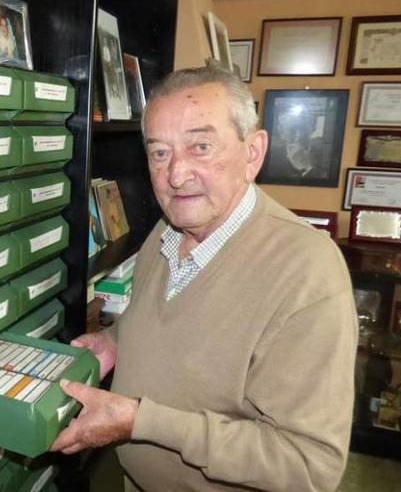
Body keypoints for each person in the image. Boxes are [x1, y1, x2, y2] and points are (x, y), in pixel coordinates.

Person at [50, 66, 357, 491]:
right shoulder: (168, 228)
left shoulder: (308, 271)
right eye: (160, 152)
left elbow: (307, 465)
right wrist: (115, 341)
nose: (176, 175)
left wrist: (141, 422)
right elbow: (170, 323)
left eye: (201, 146)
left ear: (253, 154)